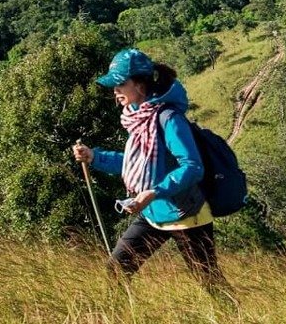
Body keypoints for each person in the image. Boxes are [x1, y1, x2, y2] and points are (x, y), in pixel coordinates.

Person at [73, 48, 230, 296]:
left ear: (140, 84)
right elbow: (139, 163)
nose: (115, 91)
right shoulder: (136, 117)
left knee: (209, 282)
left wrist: (154, 192)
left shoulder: (169, 118)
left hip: (186, 213)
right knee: (116, 270)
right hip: (152, 212)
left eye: (120, 84)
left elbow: (192, 166)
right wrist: (95, 157)